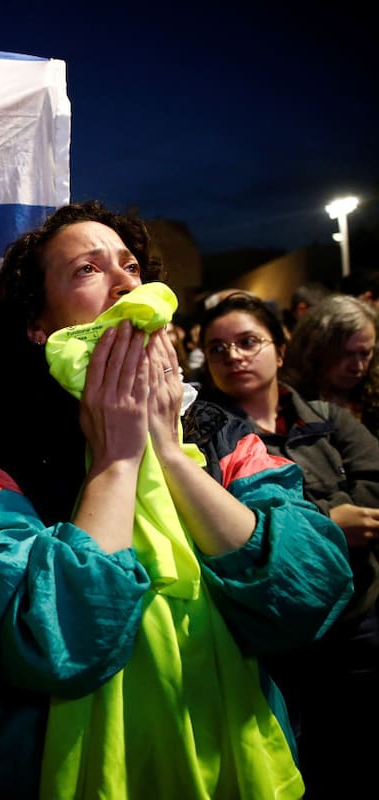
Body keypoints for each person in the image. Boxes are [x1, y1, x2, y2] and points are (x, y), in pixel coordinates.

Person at [0, 201, 354, 799]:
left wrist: (168, 450)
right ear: (38, 325)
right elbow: (53, 645)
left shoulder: (218, 433)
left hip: (234, 759)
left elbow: (310, 592)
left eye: (131, 267)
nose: (125, 283)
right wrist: (117, 462)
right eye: (87, 269)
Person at [196, 291, 379, 797]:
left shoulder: (325, 416)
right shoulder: (208, 437)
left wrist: (317, 524)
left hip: (356, 620)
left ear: (281, 348)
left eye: (248, 342)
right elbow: (228, 525)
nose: (233, 356)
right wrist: (329, 519)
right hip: (272, 633)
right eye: (217, 348)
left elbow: (373, 479)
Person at [282, 293, 379, 438]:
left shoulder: (373, 398)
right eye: (346, 354)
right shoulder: (288, 404)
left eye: (365, 353)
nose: (358, 367)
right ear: (316, 349)